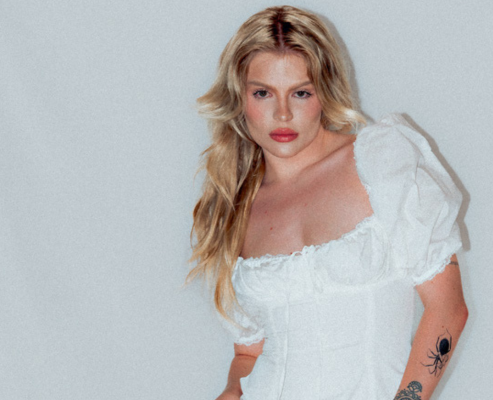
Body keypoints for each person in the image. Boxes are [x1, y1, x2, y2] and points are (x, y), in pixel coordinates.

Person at [189, 5, 468, 400]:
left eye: (301, 93)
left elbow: (448, 310)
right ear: (239, 97)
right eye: (263, 93)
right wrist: (233, 389)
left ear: (324, 91)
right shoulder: (235, 206)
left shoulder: (381, 163)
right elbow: (248, 352)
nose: (282, 113)